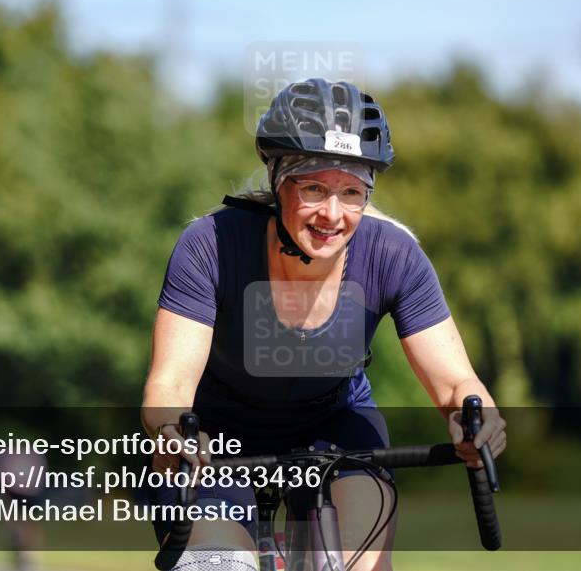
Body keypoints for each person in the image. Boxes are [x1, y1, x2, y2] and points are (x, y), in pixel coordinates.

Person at [141, 78, 506, 571]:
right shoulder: (210, 245)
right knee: (219, 566)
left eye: (351, 192)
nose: (332, 214)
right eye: (314, 188)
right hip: (212, 435)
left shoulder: (393, 254)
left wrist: (472, 416)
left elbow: (456, 382)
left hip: (334, 423)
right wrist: (169, 429)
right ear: (277, 179)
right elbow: (170, 383)